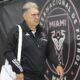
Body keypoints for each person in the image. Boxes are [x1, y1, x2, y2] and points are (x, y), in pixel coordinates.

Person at [4, 2, 64, 80]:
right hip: (22, 76)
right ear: (25, 16)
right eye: (33, 15)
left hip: (40, 76)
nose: (37, 17)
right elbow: (8, 52)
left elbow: (50, 51)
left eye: (38, 14)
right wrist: (18, 70)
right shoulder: (16, 31)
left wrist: (57, 64)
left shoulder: (44, 32)